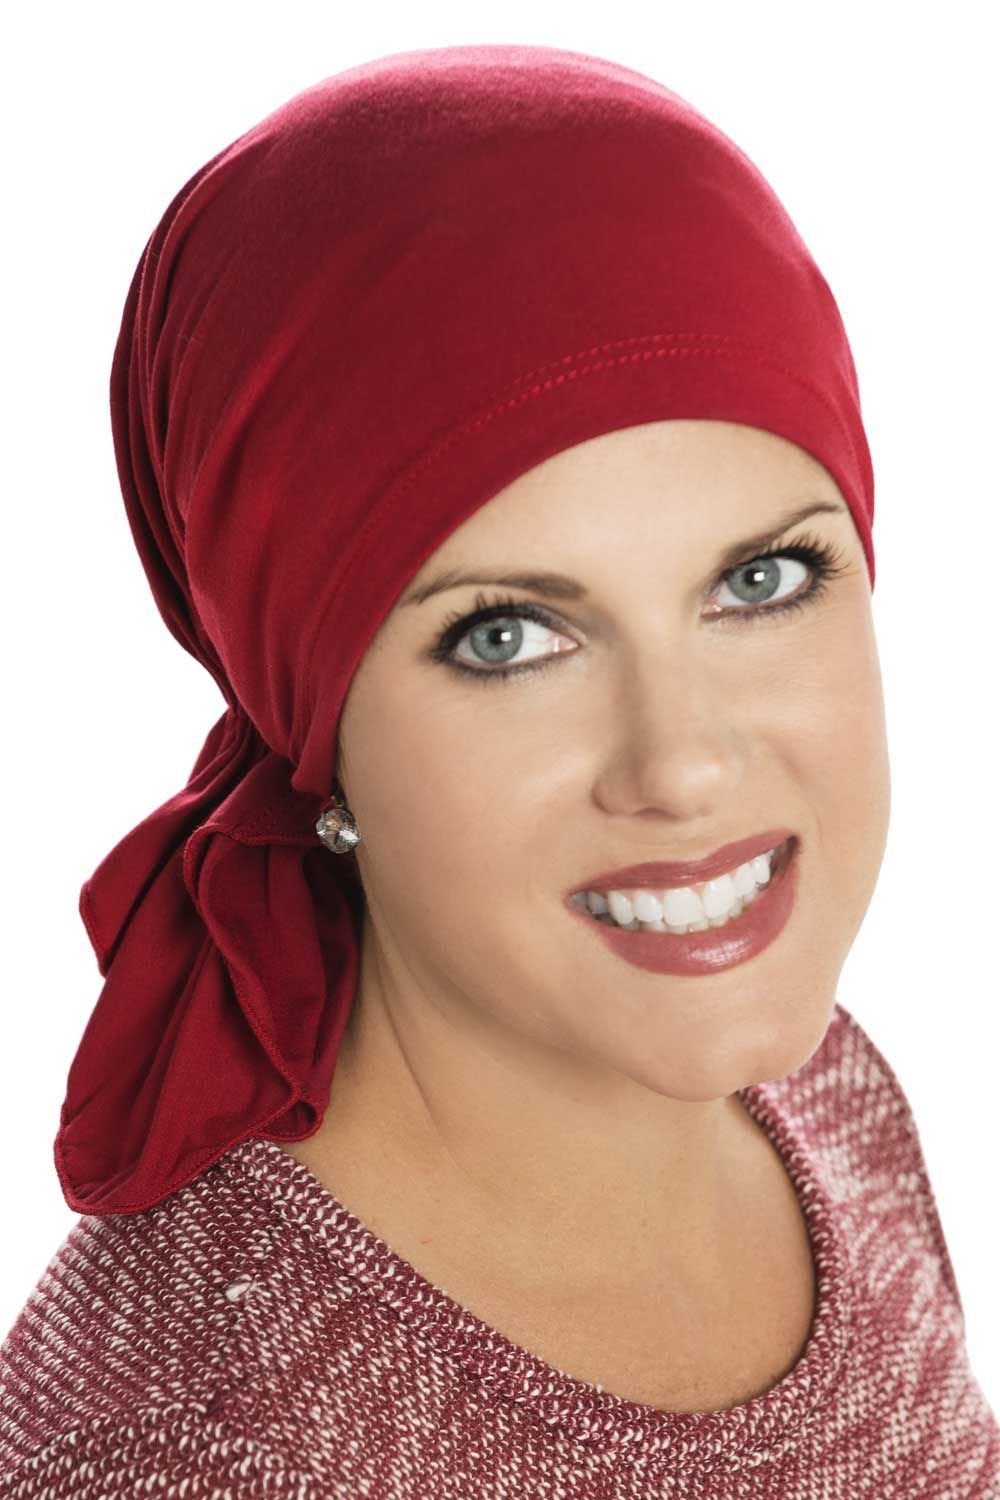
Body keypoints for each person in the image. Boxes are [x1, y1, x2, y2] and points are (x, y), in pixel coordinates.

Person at [1, 41, 997, 1500]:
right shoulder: (200, 1452)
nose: (684, 764)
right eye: (509, 636)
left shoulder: (817, 1095)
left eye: (762, 578)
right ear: (311, 718)